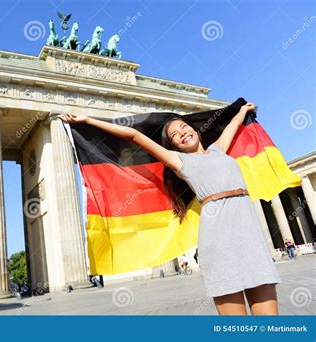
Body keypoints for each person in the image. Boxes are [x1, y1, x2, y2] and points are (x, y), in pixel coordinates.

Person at [59, 102, 282, 315]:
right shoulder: (179, 162)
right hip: (218, 241)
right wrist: (89, 120)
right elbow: (135, 136)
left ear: (195, 130)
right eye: (176, 134)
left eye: (184, 127)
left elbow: (233, 124)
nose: (183, 133)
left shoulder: (218, 151)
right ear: (174, 145)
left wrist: (244, 109)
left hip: (250, 236)